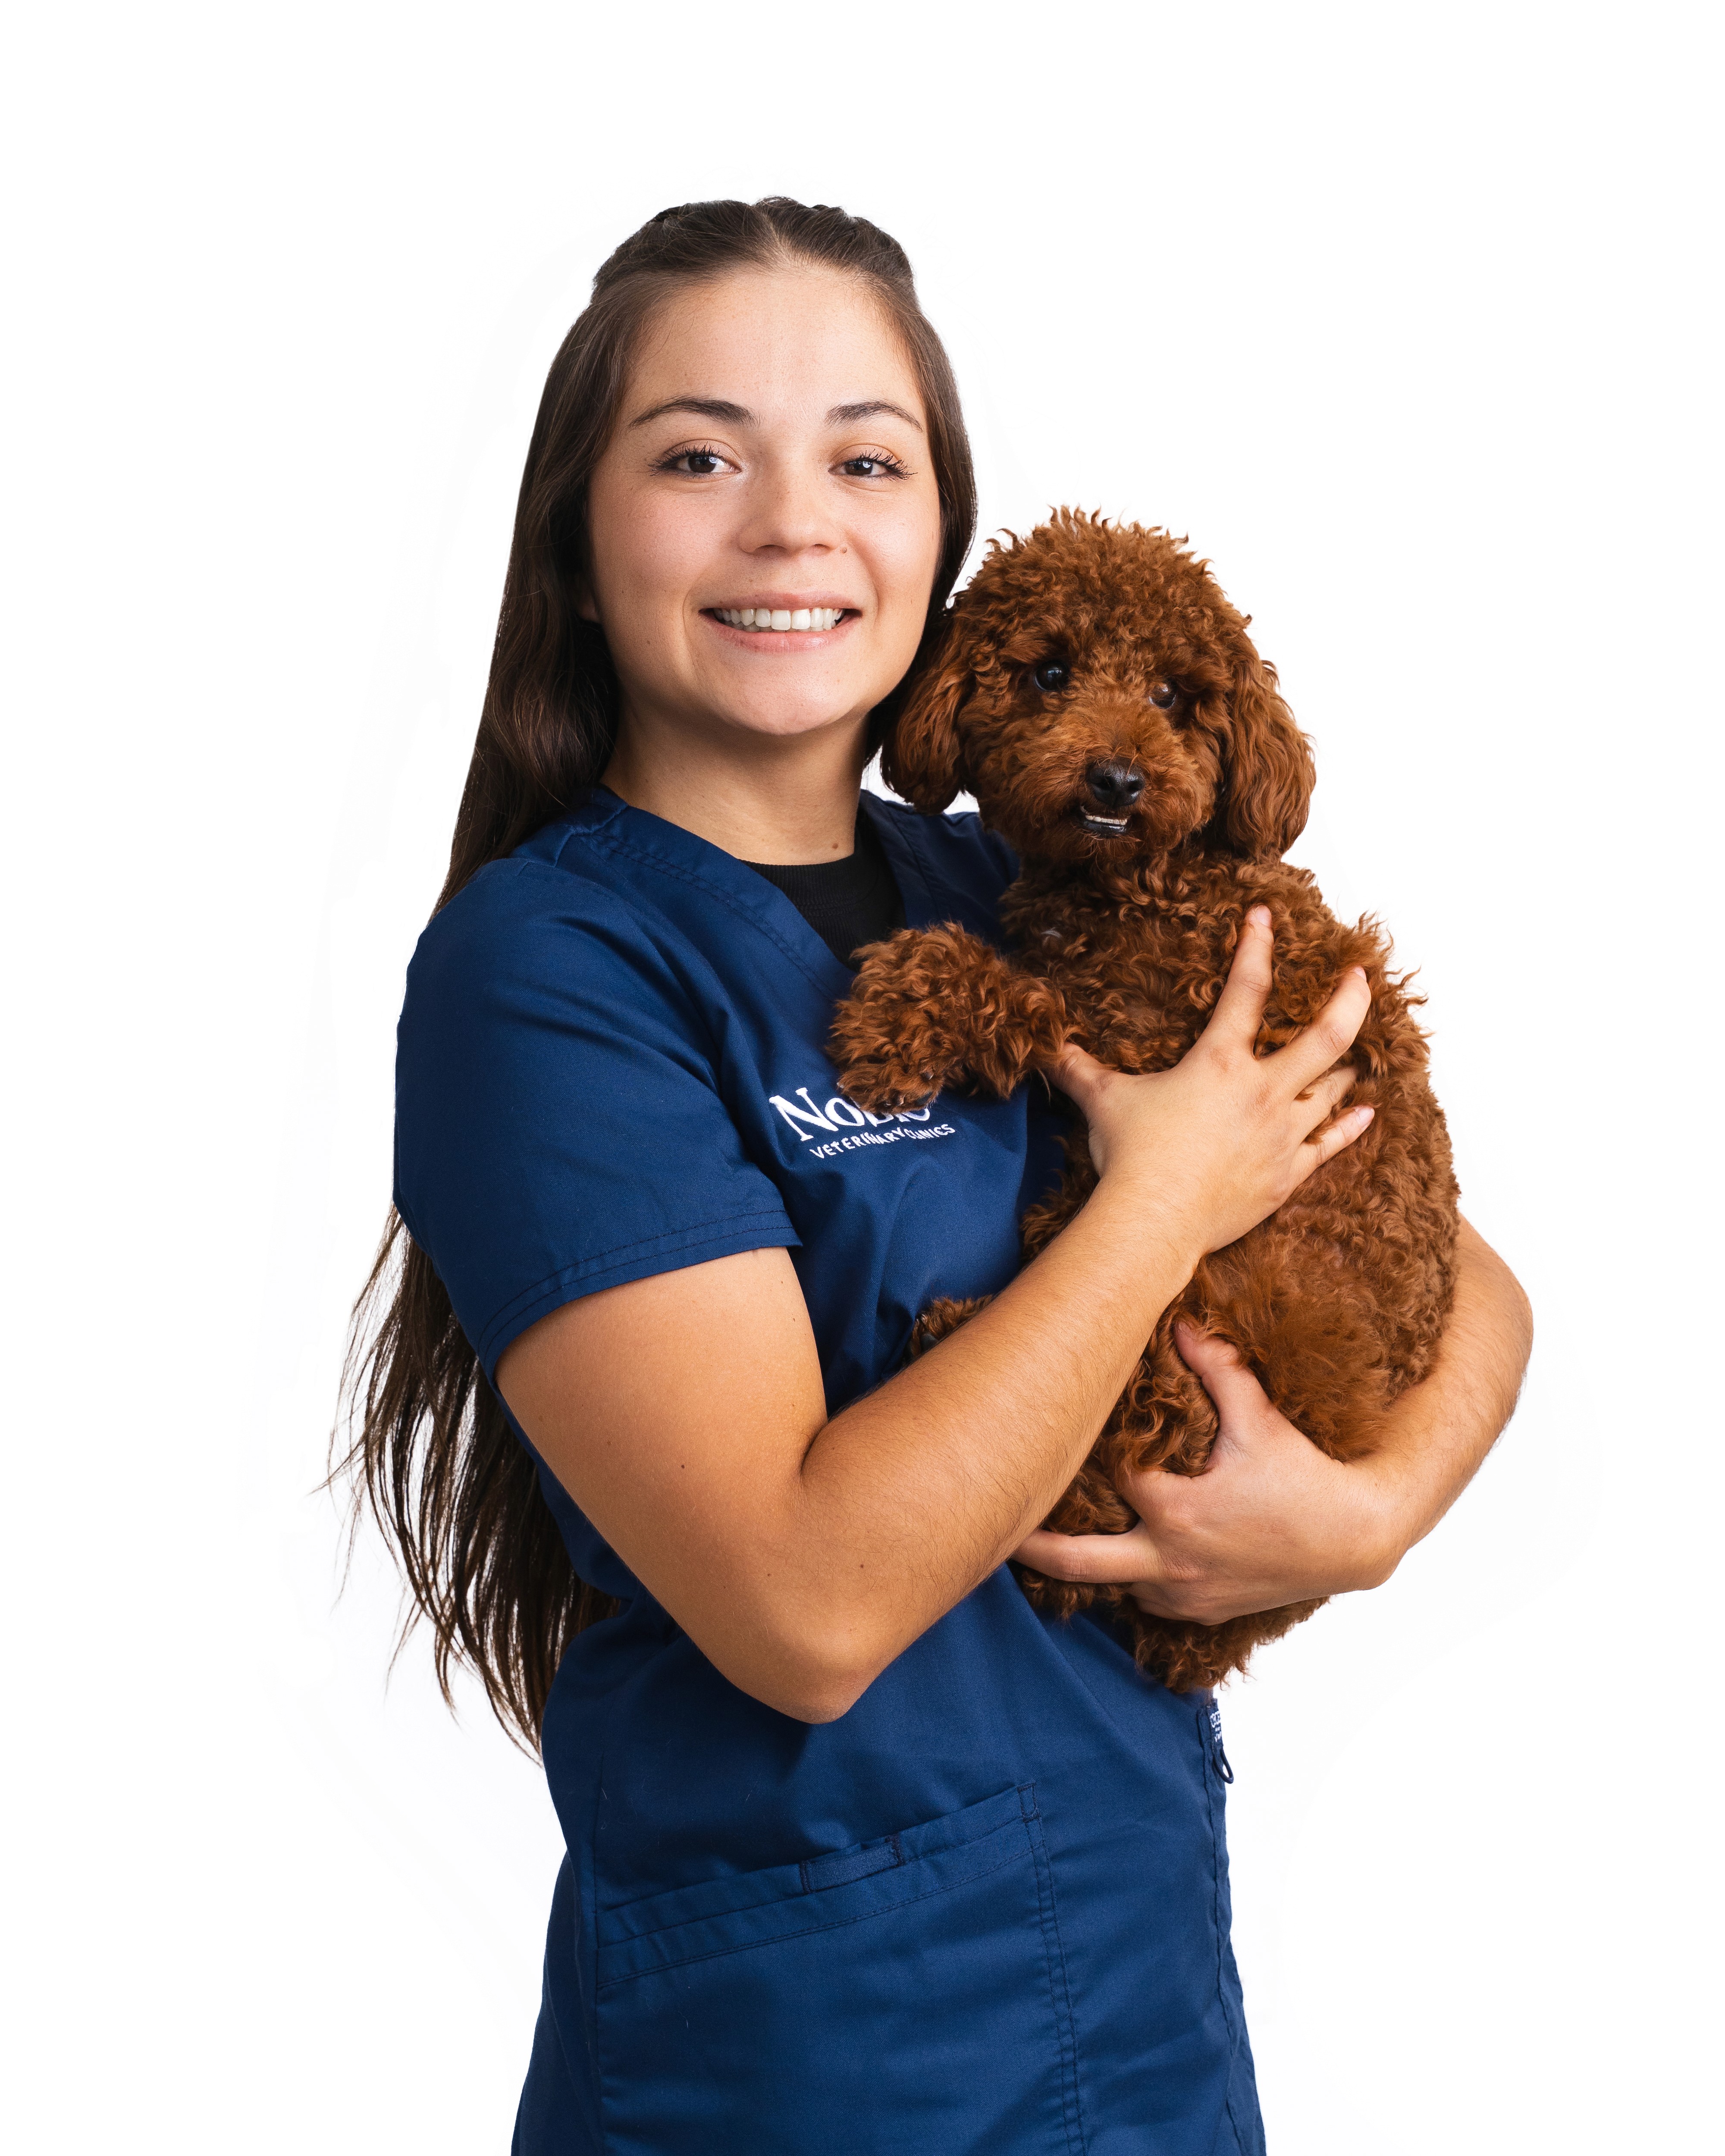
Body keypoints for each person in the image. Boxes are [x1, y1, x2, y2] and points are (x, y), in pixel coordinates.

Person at [347, 197, 1533, 2155]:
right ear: (577, 532)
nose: (793, 521)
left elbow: (1462, 1271)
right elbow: (806, 1603)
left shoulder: (1039, 882)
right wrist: (1159, 1198)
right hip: (813, 2054)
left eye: (865, 459)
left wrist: (1366, 1509)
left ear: (938, 543)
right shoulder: (550, 980)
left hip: (1138, 2000)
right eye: (700, 453)